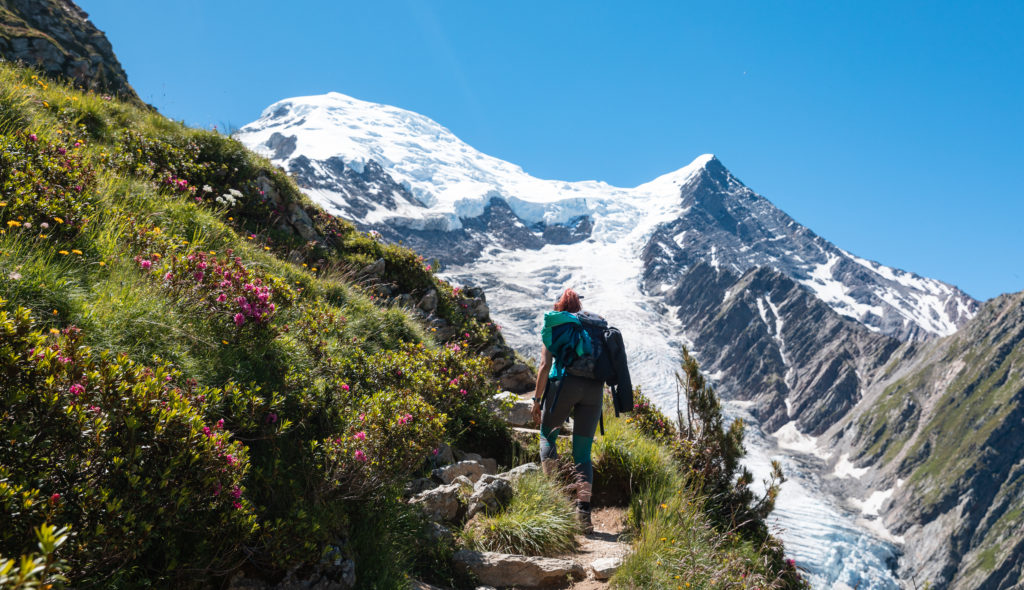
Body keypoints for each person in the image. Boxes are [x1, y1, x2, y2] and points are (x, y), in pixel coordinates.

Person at [530, 287, 603, 534]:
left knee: (546, 436)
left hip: (564, 385)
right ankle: (584, 515)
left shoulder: (556, 325)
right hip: (594, 392)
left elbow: (544, 365)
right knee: (582, 454)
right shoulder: (594, 327)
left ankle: (554, 499)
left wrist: (537, 399)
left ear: (559, 306)